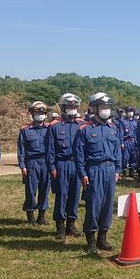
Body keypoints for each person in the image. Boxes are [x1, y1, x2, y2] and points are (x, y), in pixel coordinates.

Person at [74, 93, 121, 253]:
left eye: (108, 107)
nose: (106, 111)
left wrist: (118, 170)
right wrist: (83, 174)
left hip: (109, 170)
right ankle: (91, 239)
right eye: (103, 107)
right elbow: (79, 155)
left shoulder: (113, 128)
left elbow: (117, 151)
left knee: (107, 206)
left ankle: (103, 237)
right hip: (93, 171)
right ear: (93, 109)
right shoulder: (84, 129)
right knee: (93, 205)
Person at [46, 93, 83, 240]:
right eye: (69, 107)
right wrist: (52, 167)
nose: (72, 109)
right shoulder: (54, 126)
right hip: (61, 164)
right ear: (63, 108)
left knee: (75, 196)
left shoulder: (81, 125)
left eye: (74, 107)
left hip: (77, 164)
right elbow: (50, 149)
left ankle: (71, 224)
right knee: (62, 195)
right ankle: (60, 226)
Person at [17, 101, 51, 225]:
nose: (40, 115)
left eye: (42, 113)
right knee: (31, 191)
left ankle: (41, 216)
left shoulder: (50, 128)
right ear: (32, 114)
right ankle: (30, 215)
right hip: (32, 163)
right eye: (37, 113)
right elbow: (21, 150)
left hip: (46, 163)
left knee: (44, 190)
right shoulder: (25, 130)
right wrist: (22, 166)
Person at [117, 105, 139, 179]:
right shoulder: (123, 122)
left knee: (133, 157)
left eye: (131, 111)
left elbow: (136, 133)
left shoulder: (135, 122)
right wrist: (122, 142)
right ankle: (123, 172)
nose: (130, 113)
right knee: (125, 158)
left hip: (134, 142)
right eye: (129, 111)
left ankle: (131, 171)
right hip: (126, 141)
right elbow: (121, 133)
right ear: (126, 112)